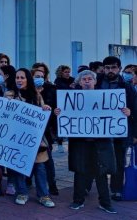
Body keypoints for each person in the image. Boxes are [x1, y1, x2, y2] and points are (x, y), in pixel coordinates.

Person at [55, 70, 131, 214]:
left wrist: (126, 112)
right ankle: (78, 200)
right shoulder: (70, 99)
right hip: (80, 143)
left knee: (101, 173)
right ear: (80, 82)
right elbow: (63, 116)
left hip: (101, 143)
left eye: (90, 79)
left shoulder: (106, 98)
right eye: (84, 79)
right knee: (80, 171)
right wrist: (59, 113)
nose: (87, 81)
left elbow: (118, 113)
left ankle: (105, 202)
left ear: (95, 82)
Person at [6, 68, 55, 207]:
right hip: (16, 138)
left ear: (28, 79)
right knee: (19, 166)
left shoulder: (37, 95)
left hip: (35, 139)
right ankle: (22, 192)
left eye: (22, 77)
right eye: (17, 78)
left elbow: (42, 114)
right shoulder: (9, 95)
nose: (19, 80)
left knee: (39, 167)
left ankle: (43, 195)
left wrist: (45, 108)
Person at [95, 56, 137, 202]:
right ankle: (95, 187)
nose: (110, 70)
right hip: (98, 130)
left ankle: (116, 189)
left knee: (118, 161)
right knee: (96, 159)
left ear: (119, 68)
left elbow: (135, 110)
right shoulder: (96, 83)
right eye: (107, 68)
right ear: (104, 69)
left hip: (120, 132)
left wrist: (130, 114)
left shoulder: (127, 87)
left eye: (113, 67)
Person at [31, 63, 60, 195]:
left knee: (47, 158)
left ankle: (52, 184)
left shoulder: (51, 89)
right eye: (37, 75)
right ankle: (27, 181)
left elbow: (56, 107)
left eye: (42, 74)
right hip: (30, 129)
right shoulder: (29, 90)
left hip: (46, 130)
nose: (40, 77)